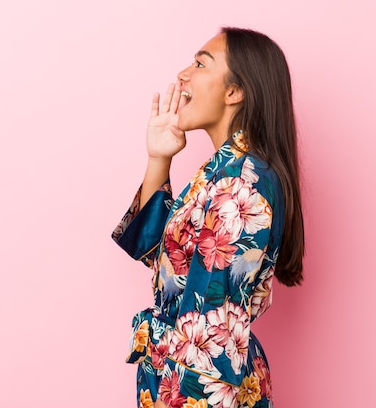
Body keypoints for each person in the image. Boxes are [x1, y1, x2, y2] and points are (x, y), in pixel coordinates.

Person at [112, 27, 304, 408]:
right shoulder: (223, 172)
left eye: (201, 63)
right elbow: (166, 263)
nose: (184, 73)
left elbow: (208, 329)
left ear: (234, 91)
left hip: (200, 387)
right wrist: (159, 159)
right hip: (179, 374)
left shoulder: (240, 188)